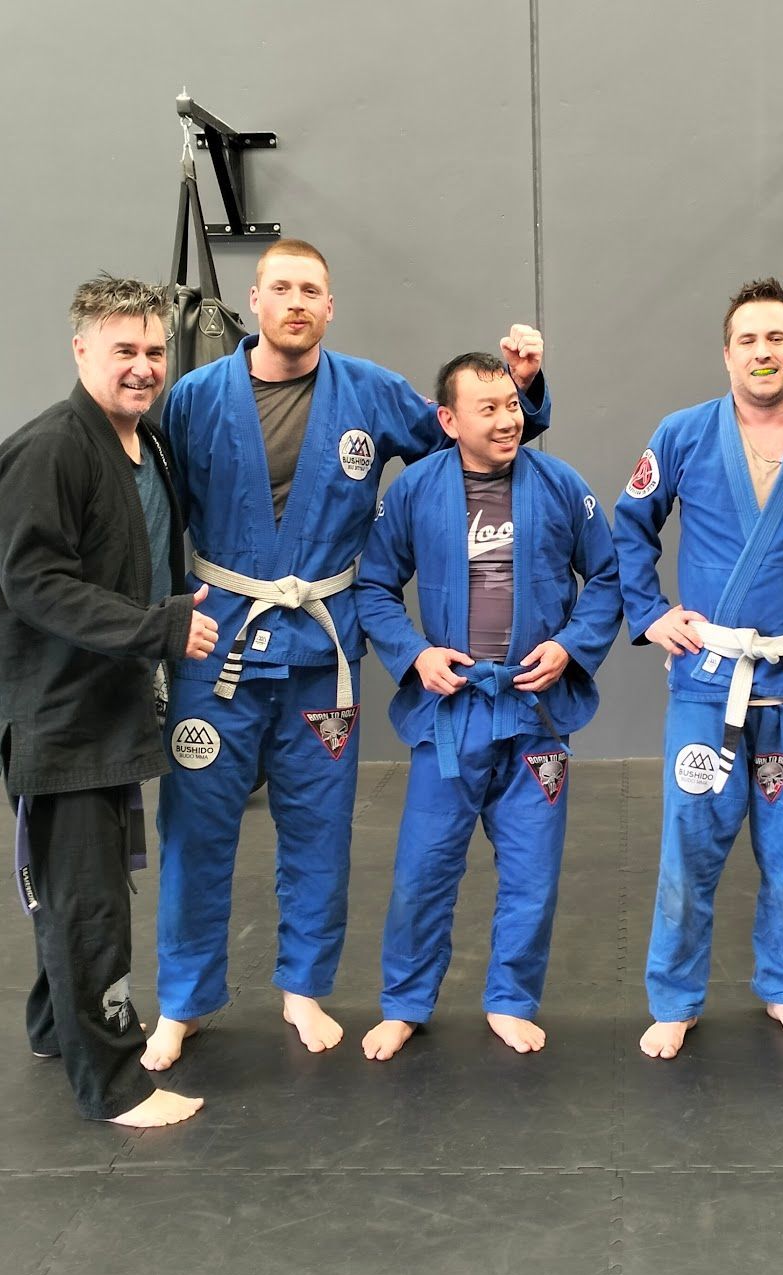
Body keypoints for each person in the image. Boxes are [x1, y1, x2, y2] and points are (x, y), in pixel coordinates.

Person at [143, 239, 547, 1070]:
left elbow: (466, 437)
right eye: (281, 287)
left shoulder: (367, 391)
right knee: (196, 831)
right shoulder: (191, 399)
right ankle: (181, 1002)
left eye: (311, 291)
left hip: (322, 650)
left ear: (330, 308)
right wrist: (158, 620)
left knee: (319, 828)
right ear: (252, 300)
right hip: (218, 644)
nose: (296, 301)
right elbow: (151, 510)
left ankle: (303, 986)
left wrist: (520, 392)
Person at [0, 275, 218, 1126]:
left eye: (155, 351)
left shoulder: (146, 445)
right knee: (87, 898)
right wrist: (158, 627)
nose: (142, 367)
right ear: (81, 350)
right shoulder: (49, 449)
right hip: (58, 717)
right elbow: (34, 583)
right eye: (124, 350)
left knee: (74, 887)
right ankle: (115, 1083)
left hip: (107, 706)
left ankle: (57, 1028)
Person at [613, 276, 783, 1059]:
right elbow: (631, 524)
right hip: (707, 676)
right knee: (689, 844)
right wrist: (651, 610)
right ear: (725, 354)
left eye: (775, 339)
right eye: (746, 341)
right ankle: (674, 995)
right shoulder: (682, 433)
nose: (761, 352)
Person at [355, 352, 622, 1058]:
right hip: (453, 713)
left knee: (532, 870)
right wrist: (415, 653)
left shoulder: (560, 484)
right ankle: (405, 1001)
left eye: (512, 404)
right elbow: (373, 586)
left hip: (533, 713)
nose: (508, 419)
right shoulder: (414, 492)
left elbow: (605, 575)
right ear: (448, 420)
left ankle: (509, 997)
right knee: (423, 867)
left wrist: (569, 645)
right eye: (489, 408)